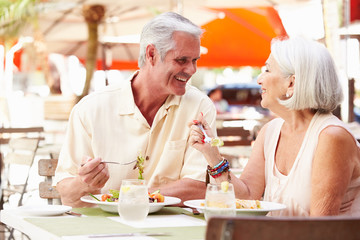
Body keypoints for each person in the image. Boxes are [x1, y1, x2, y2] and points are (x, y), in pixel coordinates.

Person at [54, 12, 217, 207]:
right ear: (151, 54)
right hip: (102, 230)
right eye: (182, 60)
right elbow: (66, 193)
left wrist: (128, 198)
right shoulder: (90, 109)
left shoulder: (199, 106)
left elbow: (197, 187)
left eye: (195, 60)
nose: (192, 70)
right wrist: (84, 182)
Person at [189, 37, 360, 216]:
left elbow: (320, 228)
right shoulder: (270, 132)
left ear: (291, 83)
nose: (259, 79)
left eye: (267, 70)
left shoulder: (331, 137)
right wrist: (212, 154)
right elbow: (246, 197)